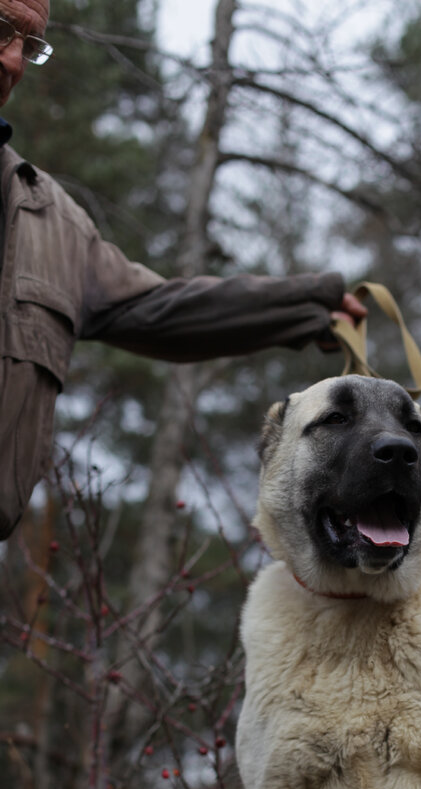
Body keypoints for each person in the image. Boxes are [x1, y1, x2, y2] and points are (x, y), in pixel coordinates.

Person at [0, 0, 367, 540]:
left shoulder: (49, 221)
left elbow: (158, 308)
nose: (13, 62)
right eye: (2, 29)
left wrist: (313, 307)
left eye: (29, 45)